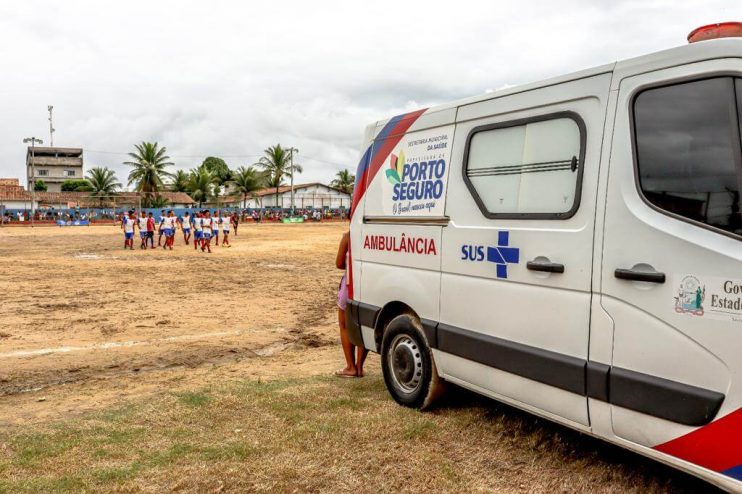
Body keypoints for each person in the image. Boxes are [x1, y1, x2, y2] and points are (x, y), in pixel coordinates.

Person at [335, 229, 366, 377]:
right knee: (362, 326)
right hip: (367, 284)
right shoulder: (372, 234)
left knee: (345, 325)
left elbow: (339, 263)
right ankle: (360, 367)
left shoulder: (348, 236)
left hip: (349, 284)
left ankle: (350, 367)